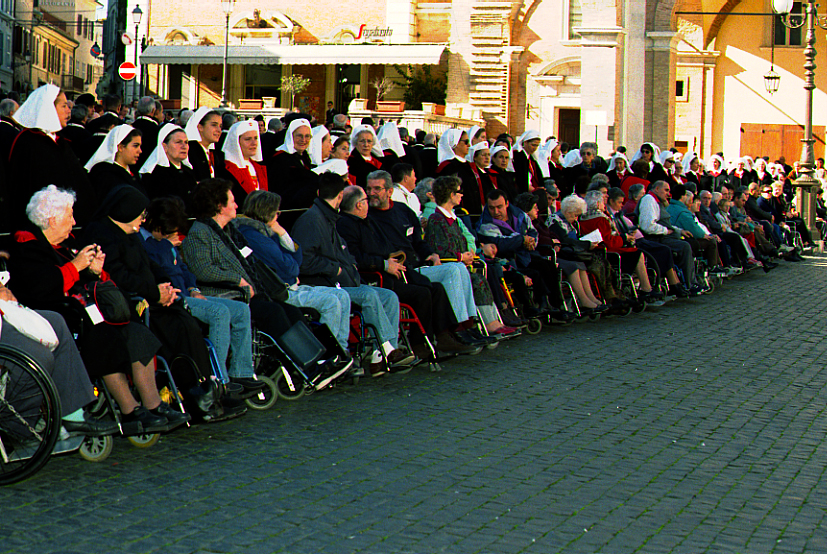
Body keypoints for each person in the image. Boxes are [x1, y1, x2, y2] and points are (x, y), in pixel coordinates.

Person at [8, 185, 188, 431]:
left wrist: (95, 271)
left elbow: (87, 283)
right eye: (69, 216)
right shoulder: (27, 244)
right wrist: (77, 265)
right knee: (105, 336)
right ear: (52, 220)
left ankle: (153, 403)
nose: (74, 222)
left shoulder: (65, 244)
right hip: (56, 314)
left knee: (137, 333)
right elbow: (43, 288)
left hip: (82, 311)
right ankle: (129, 409)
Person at [181, 177, 355, 387]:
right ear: (219, 206)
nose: (236, 205)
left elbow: (253, 261)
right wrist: (238, 280)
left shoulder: (230, 232)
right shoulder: (200, 233)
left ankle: (317, 359)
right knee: (274, 313)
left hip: (249, 292)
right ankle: (306, 367)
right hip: (225, 294)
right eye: (232, 200)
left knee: (291, 311)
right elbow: (203, 269)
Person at [289, 172, 414, 376]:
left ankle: (378, 356)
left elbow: (342, 251)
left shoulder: (326, 218)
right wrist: (335, 268)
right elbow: (304, 261)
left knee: (389, 297)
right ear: (340, 196)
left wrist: (349, 266)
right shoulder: (313, 220)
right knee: (369, 295)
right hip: (327, 284)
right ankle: (389, 349)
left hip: (344, 281)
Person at [337, 184, 479, 356]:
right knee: (422, 293)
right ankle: (419, 343)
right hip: (377, 277)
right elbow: (355, 257)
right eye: (366, 198)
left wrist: (395, 255)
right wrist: (383, 263)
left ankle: (445, 336)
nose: (369, 200)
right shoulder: (346, 225)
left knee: (436, 289)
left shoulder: (368, 220)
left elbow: (388, 245)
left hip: (395, 268)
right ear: (359, 204)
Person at [142, 197, 265, 395]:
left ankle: (242, 372)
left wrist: (194, 289)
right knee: (219, 312)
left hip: (187, 291)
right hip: (173, 297)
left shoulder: (165, 242)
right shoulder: (149, 244)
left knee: (241, 309)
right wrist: (167, 247)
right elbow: (162, 272)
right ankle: (219, 378)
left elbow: (184, 269)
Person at [234, 190, 353, 355]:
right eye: (276, 211)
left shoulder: (268, 232)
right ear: (266, 212)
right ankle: (326, 353)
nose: (278, 214)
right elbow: (290, 267)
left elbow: (296, 258)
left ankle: (341, 349)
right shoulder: (254, 236)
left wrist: (282, 232)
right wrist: (291, 263)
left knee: (343, 296)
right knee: (330, 302)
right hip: (283, 291)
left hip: (292, 284)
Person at [424, 176, 519, 337]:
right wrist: (462, 256)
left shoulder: (451, 219)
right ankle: (478, 324)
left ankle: (490, 322)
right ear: (450, 194)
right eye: (459, 192)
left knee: (481, 278)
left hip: (460, 266)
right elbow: (438, 249)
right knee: (477, 280)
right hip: (449, 268)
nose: (462, 195)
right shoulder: (437, 219)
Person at [7, 84, 98, 231]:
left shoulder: (60, 140)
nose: (69, 111)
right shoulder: (29, 142)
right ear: (49, 109)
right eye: (64, 106)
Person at [477, 189, 573, 321]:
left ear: (506, 203)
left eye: (499, 207)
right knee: (537, 270)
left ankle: (556, 305)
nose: (496, 212)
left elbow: (532, 231)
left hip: (524, 254)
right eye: (492, 208)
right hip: (508, 259)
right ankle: (540, 305)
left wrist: (531, 241)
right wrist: (522, 239)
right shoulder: (485, 223)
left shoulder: (519, 214)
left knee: (548, 266)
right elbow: (500, 244)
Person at [636, 180, 701, 296]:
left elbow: (667, 224)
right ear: (656, 189)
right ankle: (688, 283)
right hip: (654, 238)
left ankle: (687, 280)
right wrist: (666, 231)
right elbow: (647, 226)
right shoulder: (649, 200)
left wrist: (679, 230)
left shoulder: (658, 201)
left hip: (663, 235)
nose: (668, 194)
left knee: (691, 242)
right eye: (666, 190)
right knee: (685, 246)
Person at [266, 118, 318, 215]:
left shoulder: (305, 157)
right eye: (299, 136)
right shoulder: (280, 158)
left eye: (307, 136)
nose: (303, 140)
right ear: (291, 136)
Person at [140, 125, 199, 208]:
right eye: (178, 142)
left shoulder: (188, 171)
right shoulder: (156, 174)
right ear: (165, 147)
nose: (184, 146)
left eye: (186, 142)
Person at [85, 124, 146, 200]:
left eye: (140, 146)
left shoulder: (134, 172)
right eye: (135, 146)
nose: (140, 151)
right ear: (120, 147)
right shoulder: (105, 175)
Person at [218, 120, 268, 206]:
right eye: (248, 139)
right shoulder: (225, 170)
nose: (254, 143)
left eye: (255, 138)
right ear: (236, 142)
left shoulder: (259, 167)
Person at [185, 107, 223, 182]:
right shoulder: (189, 152)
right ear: (200, 127)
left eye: (220, 126)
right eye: (214, 125)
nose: (219, 130)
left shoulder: (214, 154)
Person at [347, 124, 384, 189]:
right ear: (355, 143)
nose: (366, 145)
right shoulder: (351, 162)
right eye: (362, 141)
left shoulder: (379, 161)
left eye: (369, 141)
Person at [130, 96, 160, 170]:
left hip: (133, 168)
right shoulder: (157, 130)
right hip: (151, 170)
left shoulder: (131, 128)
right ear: (153, 111)